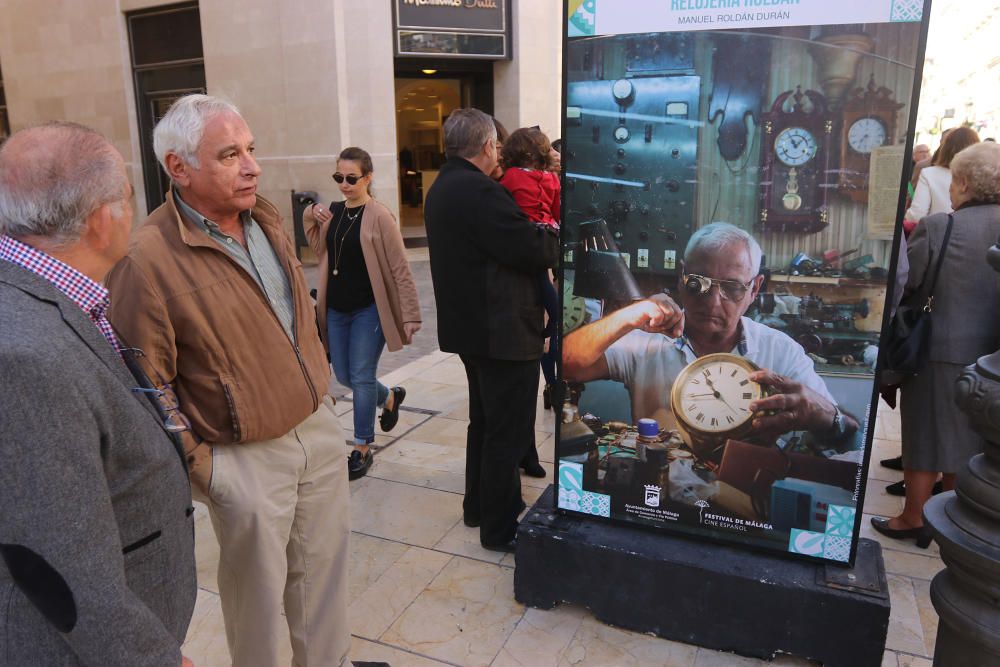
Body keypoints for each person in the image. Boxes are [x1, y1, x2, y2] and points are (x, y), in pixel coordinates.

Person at [106, 95, 352, 666]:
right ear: (178, 167)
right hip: (243, 460)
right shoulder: (145, 257)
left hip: (314, 429)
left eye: (251, 150)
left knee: (325, 589)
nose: (252, 166)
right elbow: (143, 385)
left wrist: (321, 388)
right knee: (259, 608)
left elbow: (295, 313)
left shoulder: (264, 218)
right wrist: (207, 469)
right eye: (229, 155)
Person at [0, 122, 196, 666]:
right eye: (128, 198)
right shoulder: (23, 356)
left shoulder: (48, 298)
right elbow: (58, 563)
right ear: (101, 220)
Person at [563, 222, 859, 446]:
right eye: (698, 283)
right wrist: (628, 316)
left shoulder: (780, 352)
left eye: (732, 287)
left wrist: (825, 415)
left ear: (754, 289)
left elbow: (849, 437)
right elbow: (565, 364)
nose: (712, 301)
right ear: (681, 278)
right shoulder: (647, 341)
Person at [425, 108, 560, 551]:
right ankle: (500, 529)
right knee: (506, 430)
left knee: (483, 423)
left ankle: (477, 507)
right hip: (501, 332)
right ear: (487, 147)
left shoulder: (443, 187)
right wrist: (556, 238)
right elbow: (529, 248)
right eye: (496, 146)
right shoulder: (480, 191)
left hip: (472, 330)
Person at [872, 141, 1000, 548]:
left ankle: (914, 518)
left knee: (925, 433)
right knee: (971, 439)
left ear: (961, 182)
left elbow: (910, 283)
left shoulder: (942, 227)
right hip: (991, 357)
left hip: (938, 349)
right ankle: (953, 516)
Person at [304, 147, 421, 480]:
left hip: (370, 310)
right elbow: (319, 248)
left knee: (361, 373)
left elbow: (400, 268)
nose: (343, 184)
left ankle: (361, 446)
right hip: (337, 309)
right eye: (338, 177)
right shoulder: (335, 212)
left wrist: (411, 313)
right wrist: (312, 214)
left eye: (351, 178)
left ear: (368, 177)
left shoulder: (380, 215)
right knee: (344, 375)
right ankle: (390, 398)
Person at [500, 126, 561, 424]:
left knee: (538, 280)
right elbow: (558, 209)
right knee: (544, 279)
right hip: (549, 234)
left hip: (526, 237)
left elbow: (503, 207)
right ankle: (552, 321)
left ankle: (552, 319)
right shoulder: (551, 178)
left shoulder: (509, 178)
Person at [904, 127, 980, 233]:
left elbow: (916, 215)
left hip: (938, 238)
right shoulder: (981, 176)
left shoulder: (929, 173)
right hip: (974, 237)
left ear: (945, 148)